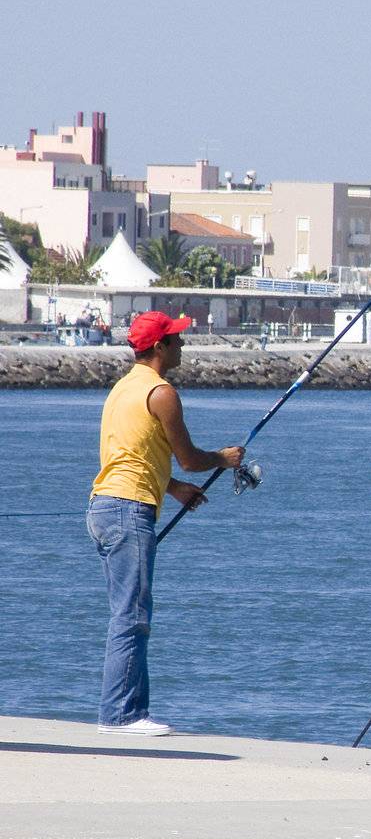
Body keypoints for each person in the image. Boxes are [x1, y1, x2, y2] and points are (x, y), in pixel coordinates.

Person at [87, 311, 244, 736]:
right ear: (159, 347)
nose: (182, 345)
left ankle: (128, 711)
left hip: (106, 506)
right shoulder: (161, 392)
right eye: (176, 339)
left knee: (129, 612)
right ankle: (120, 716)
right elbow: (191, 458)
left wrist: (171, 488)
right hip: (128, 509)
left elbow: (132, 455)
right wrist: (224, 459)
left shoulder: (123, 389)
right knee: (132, 616)